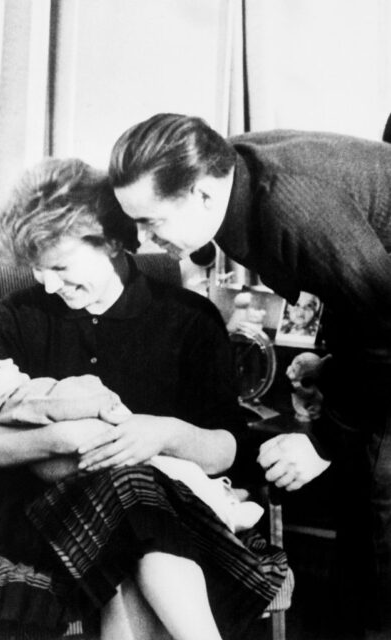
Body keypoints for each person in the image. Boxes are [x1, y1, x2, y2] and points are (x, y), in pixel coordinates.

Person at [0, 158, 287, 640]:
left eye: (60, 266)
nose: (48, 285)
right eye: (38, 270)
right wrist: (60, 437)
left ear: (115, 243)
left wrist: (162, 434)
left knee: (134, 513)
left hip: (173, 521)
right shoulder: (17, 317)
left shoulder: (189, 320)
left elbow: (232, 449)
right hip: (53, 531)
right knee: (131, 504)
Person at [108, 112, 391, 638]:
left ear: (201, 195)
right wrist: (332, 364)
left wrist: (323, 442)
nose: (144, 241)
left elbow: (384, 330)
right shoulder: (227, 175)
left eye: (152, 223)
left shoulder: (289, 206)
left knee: (382, 502)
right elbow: (356, 296)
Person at [0, 348, 263, 533]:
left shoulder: (11, 402)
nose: (10, 361)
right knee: (172, 471)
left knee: (173, 472)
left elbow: (231, 432)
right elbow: (57, 409)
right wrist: (95, 402)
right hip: (89, 470)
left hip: (97, 473)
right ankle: (224, 512)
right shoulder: (22, 402)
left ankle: (220, 498)